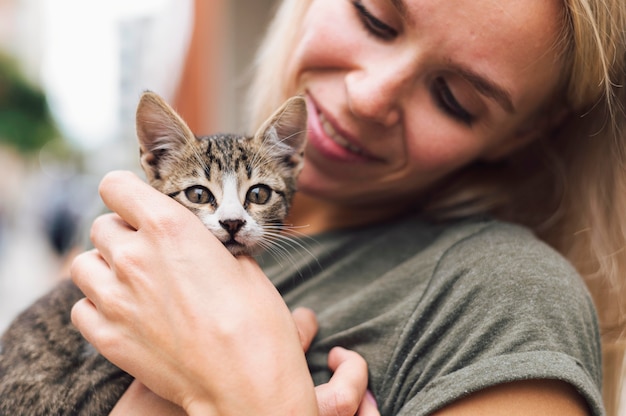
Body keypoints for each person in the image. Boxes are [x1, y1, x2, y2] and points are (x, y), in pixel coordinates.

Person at [70, 0, 626, 414]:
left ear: (519, 135)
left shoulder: (510, 302)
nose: (368, 97)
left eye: (453, 97)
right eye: (373, 17)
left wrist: (251, 397)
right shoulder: (174, 249)